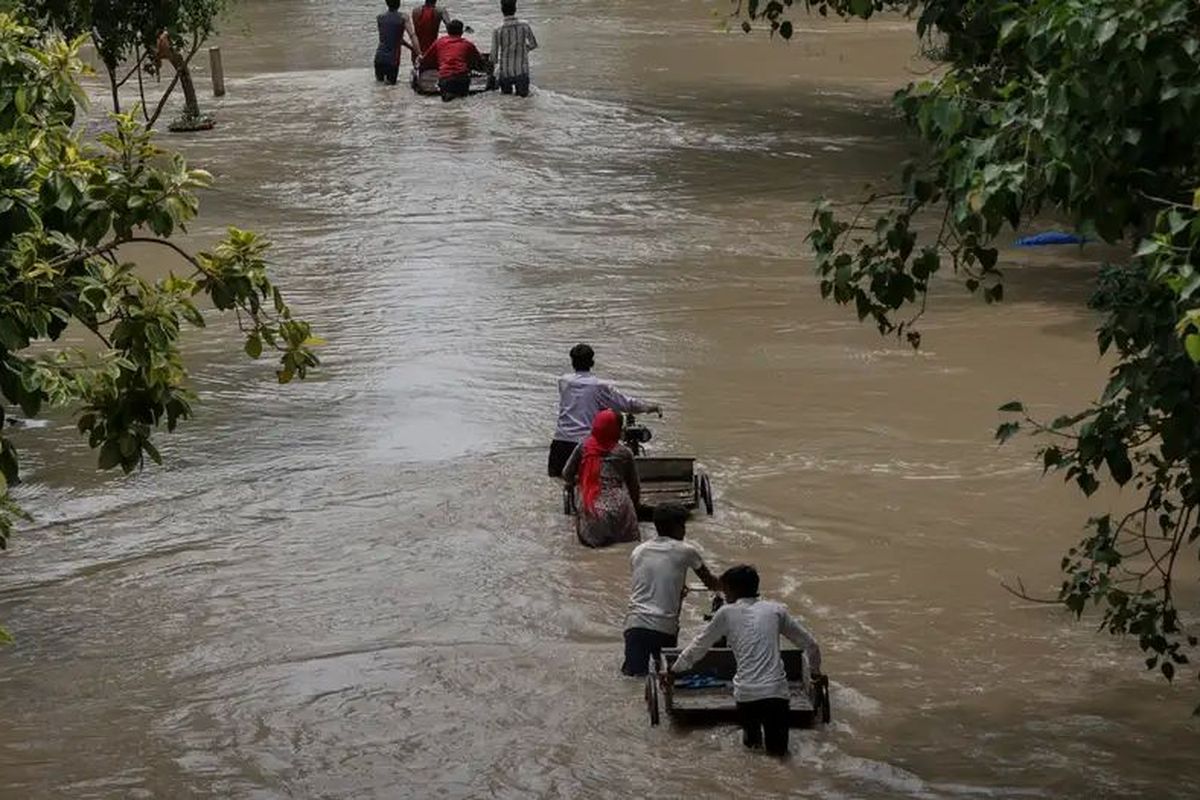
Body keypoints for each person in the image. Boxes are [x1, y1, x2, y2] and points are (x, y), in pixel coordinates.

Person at [670, 565, 822, 758]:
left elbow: (699, 646)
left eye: (725, 589)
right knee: (779, 755)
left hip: (747, 694)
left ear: (733, 590)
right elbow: (811, 645)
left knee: (752, 753)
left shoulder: (725, 613)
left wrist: (674, 670)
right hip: (776, 693)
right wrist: (815, 674)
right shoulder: (776, 610)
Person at [621, 504, 721, 676]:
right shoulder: (686, 550)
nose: (684, 531)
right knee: (665, 677)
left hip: (635, 625)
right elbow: (711, 582)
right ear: (676, 527)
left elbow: (647, 584)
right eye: (683, 526)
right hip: (664, 628)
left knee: (634, 677)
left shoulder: (639, 551)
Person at [548, 344, 660, 478]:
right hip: (586, 445)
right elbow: (627, 404)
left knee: (560, 483)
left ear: (572, 362)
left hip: (560, 442)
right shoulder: (601, 386)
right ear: (592, 362)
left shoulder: (563, 381)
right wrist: (649, 407)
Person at [561, 409, 641, 548]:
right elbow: (634, 487)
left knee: (594, 555)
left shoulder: (583, 447)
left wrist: (581, 480)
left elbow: (566, 474)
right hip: (622, 509)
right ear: (618, 430)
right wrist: (635, 508)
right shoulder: (625, 453)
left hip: (593, 509)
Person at [419, 19, 484, 102]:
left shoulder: (439, 42)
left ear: (448, 31)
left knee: (447, 106)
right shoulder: (468, 44)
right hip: (462, 78)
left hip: (446, 78)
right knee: (462, 103)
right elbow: (479, 60)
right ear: (461, 32)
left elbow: (426, 59)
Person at [491, 0, 538, 97]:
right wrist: (524, 49)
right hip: (522, 71)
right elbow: (533, 44)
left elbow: (494, 55)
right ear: (515, 9)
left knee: (507, 103)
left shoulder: (497, 29)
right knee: (523, 101)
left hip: (505, 72)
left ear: (502, 10)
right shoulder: (525, 25)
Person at [375, 0, 418, 85]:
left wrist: (411, 48)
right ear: (399, 3)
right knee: (391, 89)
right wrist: (418, 52)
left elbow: (387, 38)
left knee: (379, 87)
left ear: (387, 3)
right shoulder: (403, 17)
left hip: (379, 58)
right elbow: (412, 36)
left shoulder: (380, 18)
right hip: (392, 60)